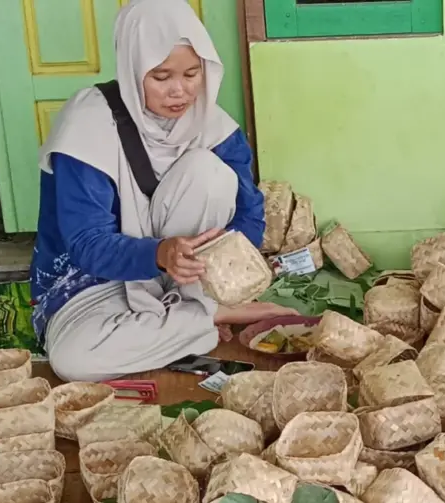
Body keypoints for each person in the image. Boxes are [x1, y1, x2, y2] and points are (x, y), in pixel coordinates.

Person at [29, 0, 294, 383]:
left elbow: (248, 214)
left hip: (185, 279)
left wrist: (227, 267)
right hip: (100, 282)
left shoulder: (214, 126)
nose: (179, 91)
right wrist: (159, 252)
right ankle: (208, 317)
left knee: (211, 174)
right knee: (73, 360)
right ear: (132, 68)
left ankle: (185, 313)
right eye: (160, 76)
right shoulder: (87, 128)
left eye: (191, 73)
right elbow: (86, 243)